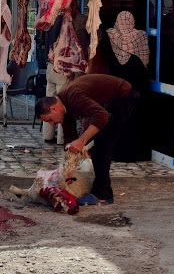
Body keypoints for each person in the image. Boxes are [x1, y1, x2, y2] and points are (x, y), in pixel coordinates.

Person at [35, 73, 138, 205]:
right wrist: (70, 168)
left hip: (125, 96)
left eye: (49, 119)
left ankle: (103, 195)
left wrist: (82, 141)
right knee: (96, 145)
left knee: (102, 146)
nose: (50, 124)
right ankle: (102, 191)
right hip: (110, 103)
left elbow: (102, 115)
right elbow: (70, 138)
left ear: (53, 108)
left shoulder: (73, 97)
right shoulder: (63, 107)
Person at [89, 11, 150, 161]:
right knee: (133, 120)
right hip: (136, 84)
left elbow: (100, 53)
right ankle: (134, 154)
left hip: (116, 85)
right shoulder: (140, 36)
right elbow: (146, 61)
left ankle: (116, 153)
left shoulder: (110, 35)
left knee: (117, 119)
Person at [42, 0, 89, 145]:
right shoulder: (80, 20)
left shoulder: (52, 19)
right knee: (62, 104)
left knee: (49, 102)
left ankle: (48, 136)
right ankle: (63, 138)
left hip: (51, 67)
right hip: (66, 69)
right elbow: (96, 38)